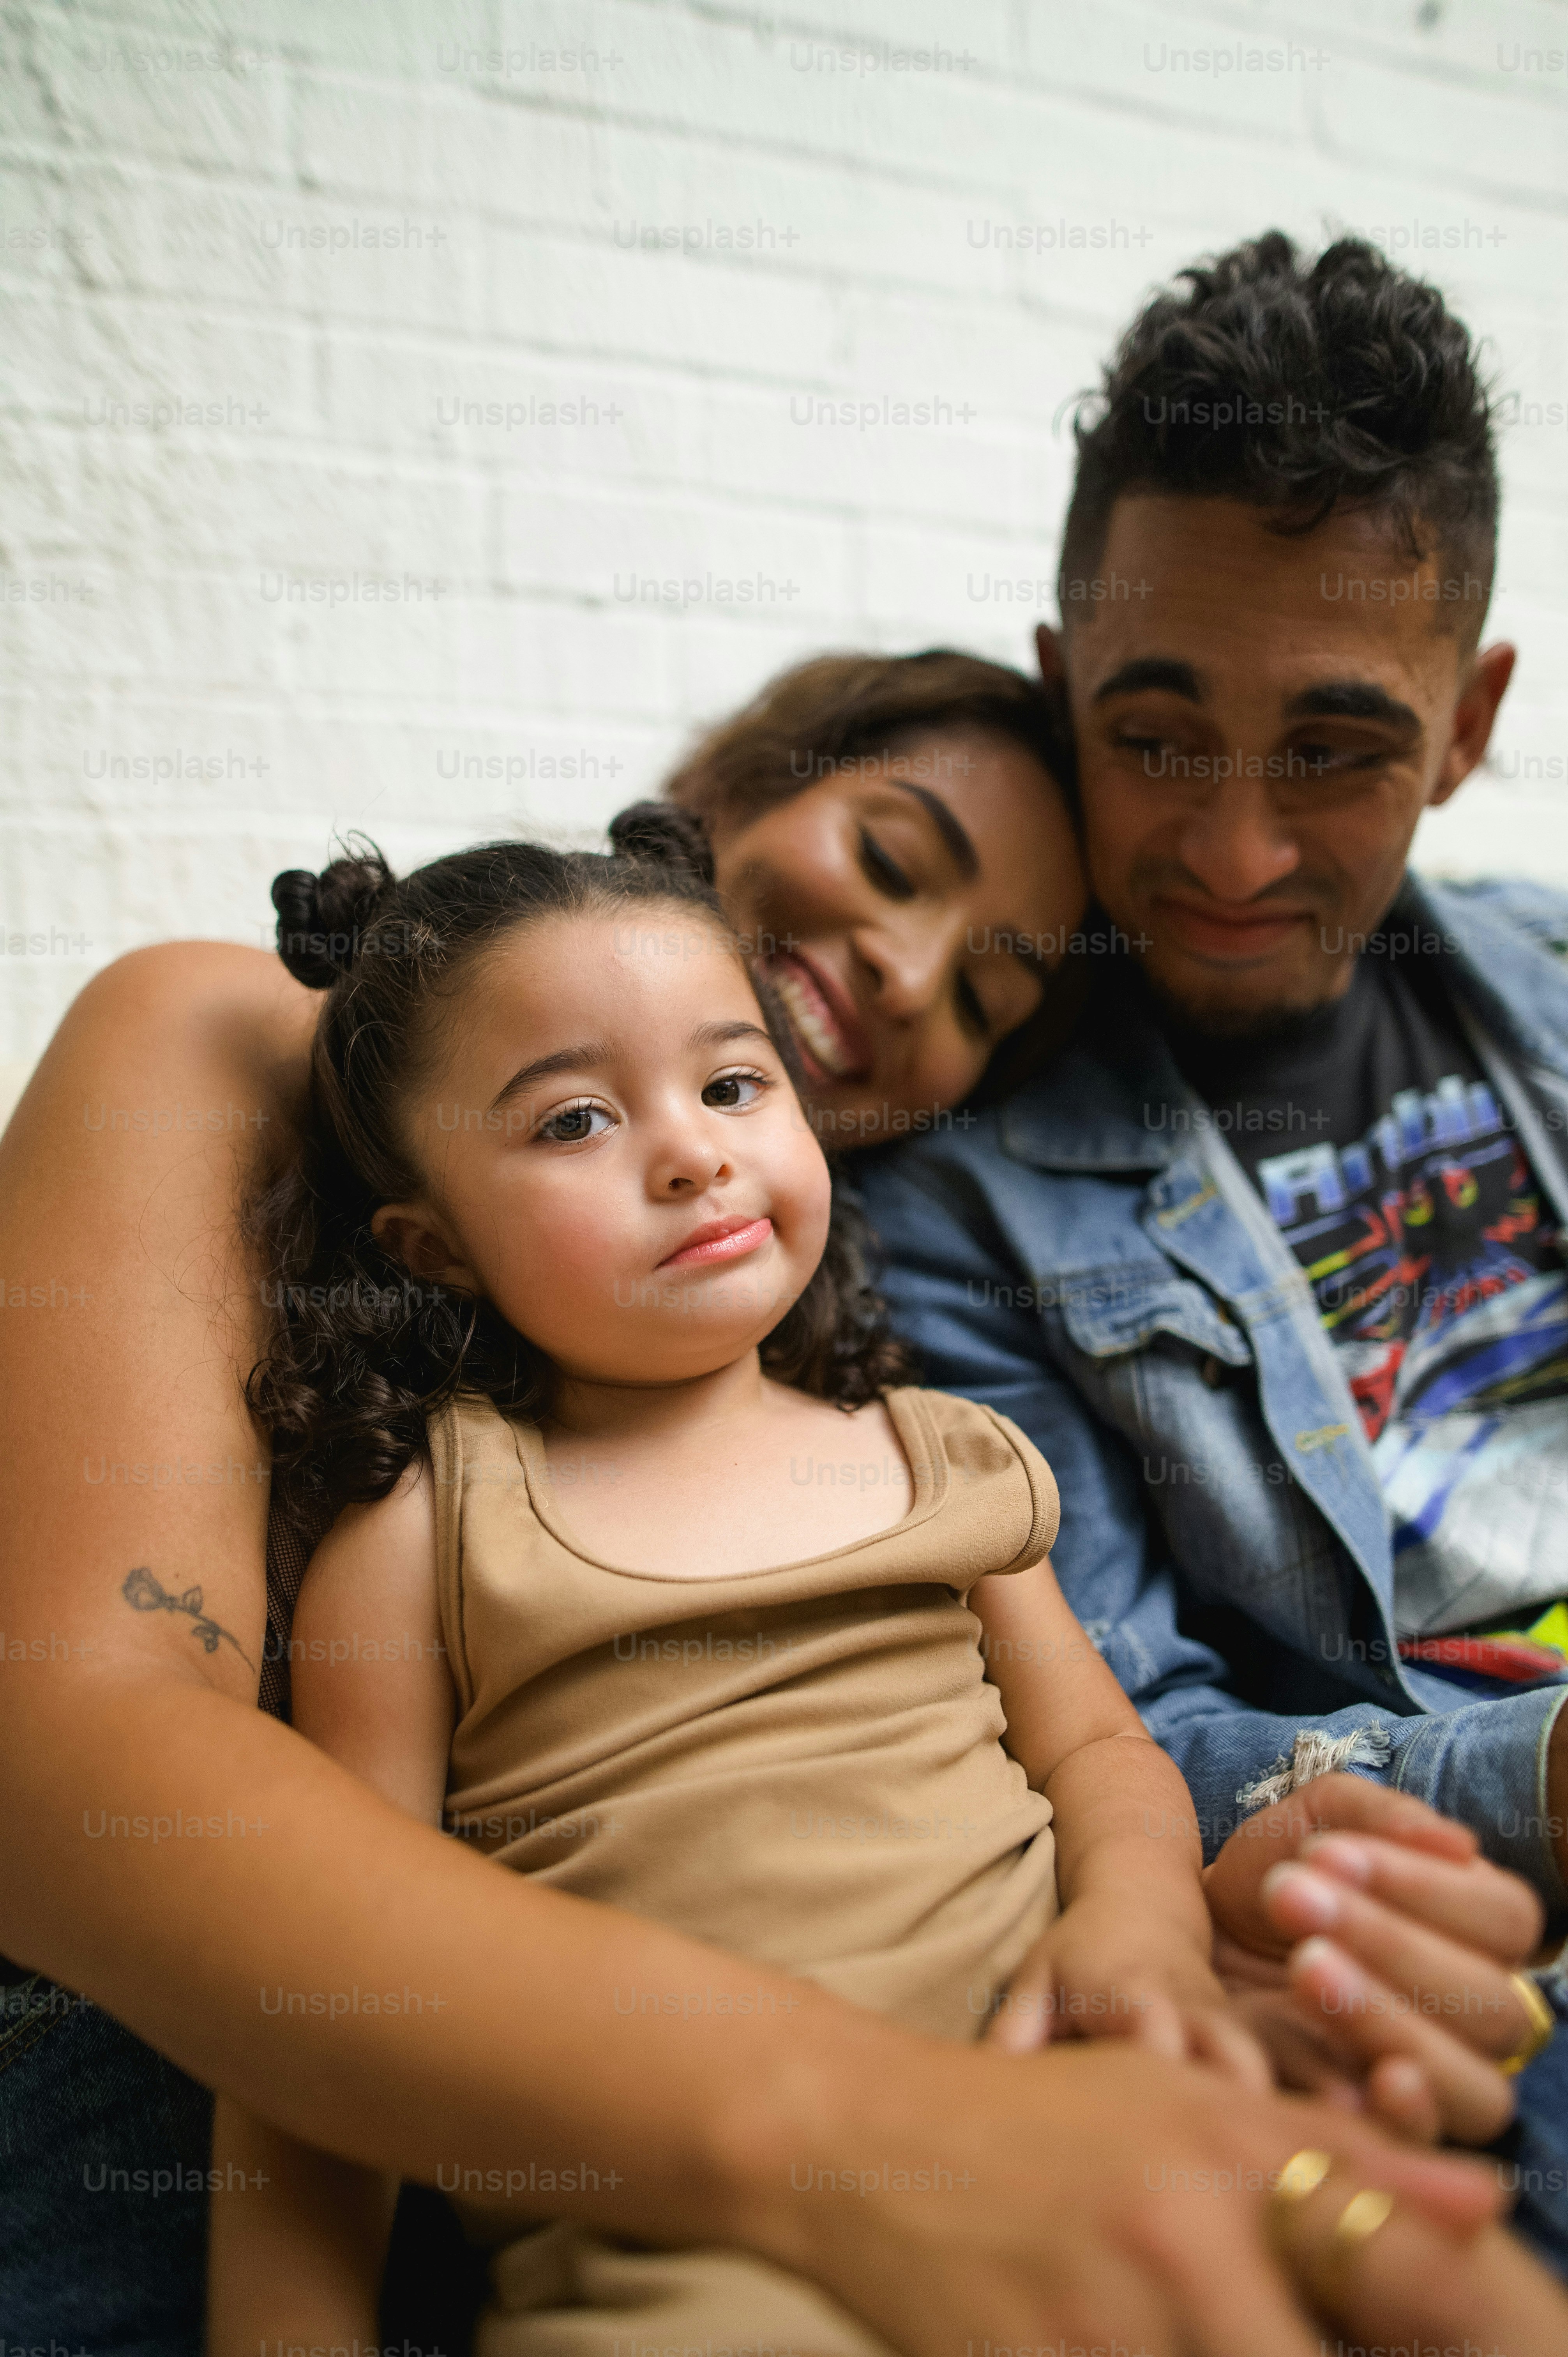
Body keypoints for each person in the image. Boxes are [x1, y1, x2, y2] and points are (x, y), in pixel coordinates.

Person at [1, 659, 1555, 2352]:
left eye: (987, 1000)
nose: (900, 975)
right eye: (891, 857)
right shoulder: (250, 1060)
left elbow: (1089, 1738)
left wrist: (1184, 1912)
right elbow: (76, 1751)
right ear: (731, 795)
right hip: (242, 2060)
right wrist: (888, 2130)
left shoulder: (911, 1407)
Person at [210, 827, 1281, 2343]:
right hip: (692, 2241)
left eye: (731, 1085)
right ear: (432, 1245)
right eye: (575, 1120)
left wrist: (1140, 1927)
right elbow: (326, 1969)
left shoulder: (942, 1456)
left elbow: (1101, 1748)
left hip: (1062, 2110)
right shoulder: (427, 1532)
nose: (692, 1152)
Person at [846, 234, 1568, 2265]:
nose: (1236, 856)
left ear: (1466, 719)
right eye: (1156, 738)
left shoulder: (1544, 976)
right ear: (1067, 680)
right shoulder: (955, 1185)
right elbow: (1137, 1734)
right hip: (1447, 1884)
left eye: (1333, 752)